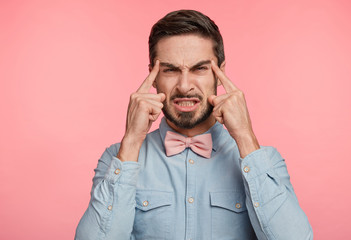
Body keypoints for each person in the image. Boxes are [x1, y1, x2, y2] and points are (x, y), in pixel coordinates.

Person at [75, 10, 313, 240]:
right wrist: (131, 142)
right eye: (170, 70)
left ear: (220, 73)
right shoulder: (116, 159)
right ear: (153, 77)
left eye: (199, 69)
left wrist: (244, 136)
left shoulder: (266, 161)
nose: (185, 85)